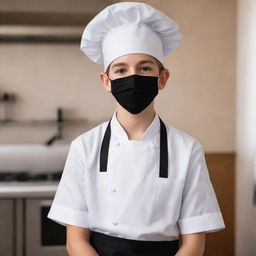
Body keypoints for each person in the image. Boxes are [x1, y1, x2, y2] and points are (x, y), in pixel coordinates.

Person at [47, 2, 225, 256]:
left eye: (144, 68)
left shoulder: (187, 149)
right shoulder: (84, 147)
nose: (133, 77)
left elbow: (194, 243)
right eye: (121, 70)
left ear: (162, 78)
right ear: (106, 81)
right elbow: (76, 241)